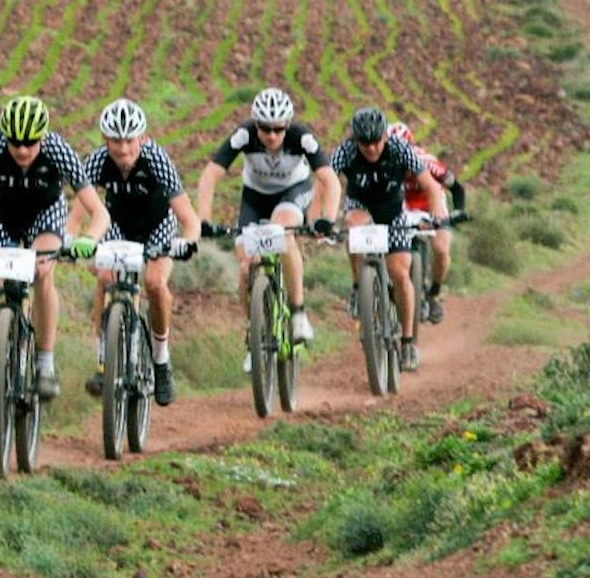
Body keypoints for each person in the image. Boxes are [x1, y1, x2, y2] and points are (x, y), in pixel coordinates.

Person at [0, 95, 110, 417]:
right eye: (15, 142)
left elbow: (98, 211)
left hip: (45, 216)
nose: (22, 150)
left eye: (30, 142)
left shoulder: (58, 150)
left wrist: (88, 239)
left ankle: (45, 363)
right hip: (2, 216)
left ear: (43, 137)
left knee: (42, 271)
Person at [194, 87, 342, 372]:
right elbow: (210, 174)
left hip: (292, 193)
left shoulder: (302, 138)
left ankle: (298, 313)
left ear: (287, 126)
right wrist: (203, 219)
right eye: (265, 129)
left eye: (278, 129)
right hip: (255, 199)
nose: (271, 136)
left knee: (281, 232)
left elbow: (329, 180)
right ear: (256, 124)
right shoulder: (244, 135)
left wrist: (327, 218)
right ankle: (256, 335)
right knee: (245, 267)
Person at [69, 98, 201, 406]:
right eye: (116, 141)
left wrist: (188, 241)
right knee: (104, 276)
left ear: (142, 138)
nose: (124, 149)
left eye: (130, 140)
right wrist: (71, 242)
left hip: (158, 226)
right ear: (105, 140)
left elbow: (188, 217)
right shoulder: (97, 161)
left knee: (155, 283)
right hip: (119, 227)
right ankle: (104, 362)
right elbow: (76, 215)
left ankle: (161, 361)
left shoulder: (156, 159)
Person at [331, 107, 448, 372]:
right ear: (355, 140)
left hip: (392, 209)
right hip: (360, 203)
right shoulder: (345, 151)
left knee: (399, 274)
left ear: (385, 137)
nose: (371, 149)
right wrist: (321, 219)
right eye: (364, 143)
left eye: (376, 142)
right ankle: (357, 286)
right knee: (351, 225)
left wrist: (437, 217)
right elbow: (326, 181)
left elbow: (430, 185)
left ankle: (408, 342)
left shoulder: (400, 149)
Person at [389, 121, 466, 325]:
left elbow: (457, 189)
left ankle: (434, 293)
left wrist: (458, 211)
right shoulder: (384, 164)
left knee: (441, 249)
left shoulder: (427, 163)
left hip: (430, 202)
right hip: (403, 203)